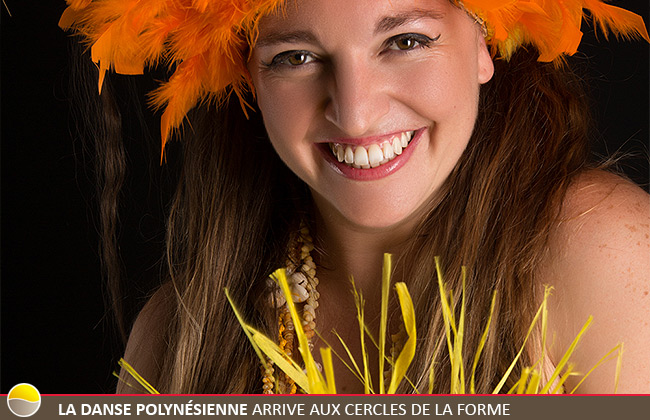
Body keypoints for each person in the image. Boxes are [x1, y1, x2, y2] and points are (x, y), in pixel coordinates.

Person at [61, 0, 649, 394]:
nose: (356, 112)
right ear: (246, 75)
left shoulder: (600, 253)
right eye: (296, 57)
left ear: (483, 43)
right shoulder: (175, 337)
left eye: (405, 40)